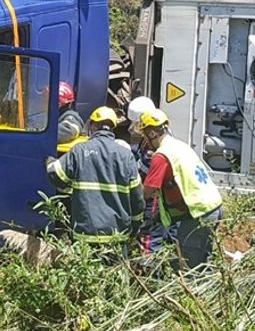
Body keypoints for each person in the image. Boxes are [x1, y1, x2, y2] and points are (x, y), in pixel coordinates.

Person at [45, 107, 144, 254]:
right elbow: (137, 198)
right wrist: (135, 227)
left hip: (86, 234)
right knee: (114, 276)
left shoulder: (79, 151)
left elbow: (56, 175)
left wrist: (49, 161)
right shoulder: (126, 156)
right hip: (117, 236)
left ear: (92, 125)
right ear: (113, 127)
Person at [139, 108, 223, 269]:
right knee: (203, 259)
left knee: (191, 265)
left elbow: (147, 191)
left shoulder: (161, 155)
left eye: (145, 135)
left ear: (151, 134)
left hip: (199, 213)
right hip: (214, 207)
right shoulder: (179, 146)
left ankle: (196, 291)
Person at [126, 96, 175, 254]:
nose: (132, 128)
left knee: (149, 235)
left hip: (154, 196)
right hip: (162, 194)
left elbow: (147, 180)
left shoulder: (153, 147)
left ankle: (150, 272)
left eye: (135, 124)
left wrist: (136, 199)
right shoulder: (154, 135)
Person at [56, 82, 85, 146]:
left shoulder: (72, 117)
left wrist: (41, 134)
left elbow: (68, 132)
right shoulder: (52, 116)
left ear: (59, 103)